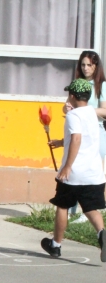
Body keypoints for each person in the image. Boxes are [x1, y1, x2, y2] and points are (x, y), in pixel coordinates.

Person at [42, 78, 106, 262]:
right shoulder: (92, 114)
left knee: (62, 205)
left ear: (72, 96)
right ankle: (102, 234)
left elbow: (77, 139)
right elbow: (84, 138)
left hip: (74, 173)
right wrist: (61, 142)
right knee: (91, 207)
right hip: (94, 173)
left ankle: (55, 245)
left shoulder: (73, 115)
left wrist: (68, 166)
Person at [62, 50, 106, 224]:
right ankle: (71, 208)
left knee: (94, 171)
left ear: (96, 66)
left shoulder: (101, 85)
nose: (86, 68)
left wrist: (85, 111)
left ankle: (88, 210)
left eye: (90, 65)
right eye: (83, 65)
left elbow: (104, 111)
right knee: (74, 166)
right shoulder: (76, 84)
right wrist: (67, 109)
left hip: (97, 132)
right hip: (79, 130)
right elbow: (66, 106)